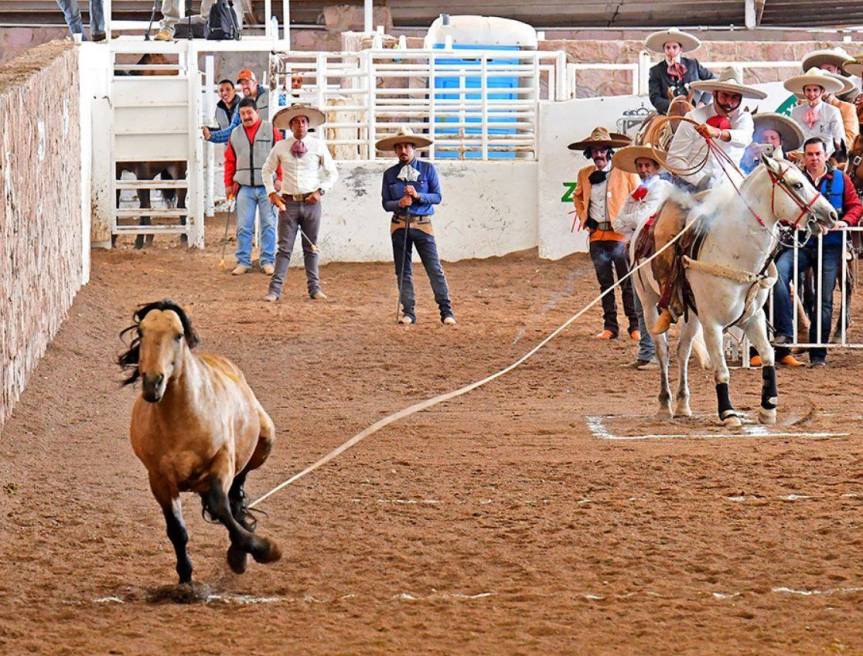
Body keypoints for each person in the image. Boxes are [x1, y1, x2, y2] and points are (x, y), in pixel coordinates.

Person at [655, 67, 764, 333]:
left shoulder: (744, 120)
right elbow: (675, 158)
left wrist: (717, 133)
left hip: (731, 191)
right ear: (715, 93)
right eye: (725, 96)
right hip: (691, 191)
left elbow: (742, 139)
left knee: (763, 231)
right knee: (663, 232)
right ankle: (670, 301)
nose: (729, 102)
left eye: (735, 97)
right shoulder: (693, 118)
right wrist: (700, 178)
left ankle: (763, 287)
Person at [772, 137, 863, 367]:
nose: (814, 158)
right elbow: (784, 208)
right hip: (801, 243)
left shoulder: (841, 179)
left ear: (825, 155)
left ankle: (818, 354)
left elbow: (856, 205)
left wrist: (845, 222)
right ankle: (785, 333)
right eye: (810, 154)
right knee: (778, 274)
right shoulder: (795, 178)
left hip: (830, 246)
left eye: (818, 154)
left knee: (824, 298)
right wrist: (792, 222)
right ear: (804, 157)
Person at [377, 126, 455, 326]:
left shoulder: (428, 169)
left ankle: (446, 311)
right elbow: (386, 203)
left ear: (413, 148)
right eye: (399, 147)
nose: (403, 150)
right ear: (395, 150)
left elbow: (437, 197)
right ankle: (409, 312)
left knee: (434, 268)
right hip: (399, 225)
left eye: (406, 146)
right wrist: (399, 203)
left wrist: (418, 196)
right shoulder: (389, 174)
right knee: (403, 270)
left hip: (422, 224)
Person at [261, 105, 338, 302]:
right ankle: (274, 290)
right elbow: (266, 170)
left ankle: (315, 289)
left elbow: (332, 173)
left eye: (303, 121)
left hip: (311, 202)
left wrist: (320, 191)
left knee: (311, 247)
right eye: (295, 122)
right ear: (290, 126)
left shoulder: (318, 146)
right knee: (284, 249)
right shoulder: (281, 146)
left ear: (308, 124)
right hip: (288, 203)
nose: (300, 125)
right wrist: (272, 193)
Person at [570, 127, 640, 340]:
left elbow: (638, 197)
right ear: (589, 153)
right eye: (595, 150)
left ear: (609, 152)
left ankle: (635, 326)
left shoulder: (626, 173)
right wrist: (584, 217)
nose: (598, 154)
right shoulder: (584, 174)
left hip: (621, 237)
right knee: (605, 283)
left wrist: (631, 223)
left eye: (602, 150)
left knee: (627, 283)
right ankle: (610, 327)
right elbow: (577, 196)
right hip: (597, 237)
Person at [611, 144, 675, 368]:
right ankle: (648, 353)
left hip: (656, 252)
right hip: (640, 252)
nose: (643, 169)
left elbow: (641, 218)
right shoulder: (636, 192)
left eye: (647, 165)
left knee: (650, 304)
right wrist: (633, 219)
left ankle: (655, 354)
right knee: (641, 305)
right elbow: (617, 223)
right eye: (639, 166)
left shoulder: (662, 187)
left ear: (656, 167)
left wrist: (630, 219)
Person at [224, 97, 283, 276]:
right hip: (244, 187)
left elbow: (280, 155)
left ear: (257, 112)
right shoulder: (235, 134)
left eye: (249, 112)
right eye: (242, 114)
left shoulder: (271, 130)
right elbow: (229, 161)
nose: (246, 116)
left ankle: (267, 261)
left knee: (269, 224)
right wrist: (228, 184)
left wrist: (280, 177)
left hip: (268, 187)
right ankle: (243, 261)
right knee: (243, 226)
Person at [645, 27, 714, 115]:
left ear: (680, 49)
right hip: (668, 113)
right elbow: (654, 97)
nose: (671, 51)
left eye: (674, 47)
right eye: (668, 48)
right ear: (664, 50)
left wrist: (702, 102)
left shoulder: (693, 64)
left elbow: (712, 80)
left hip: (693, 111)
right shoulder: (656, 70)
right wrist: (673, 107)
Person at [801, 48, 860, 146]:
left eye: (829, 70)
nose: (825, 74)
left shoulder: (848, 105)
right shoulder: (802, 108)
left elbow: (850, 142)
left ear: (838, 72)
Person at [785, 68, 845, 158]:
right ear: (804, 92)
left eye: (815, 90)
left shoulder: (833, 111)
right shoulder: (796, 111)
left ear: (822, 91)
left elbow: (839, 140)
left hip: (824, 157)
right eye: (808, 90)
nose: (811, 94)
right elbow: (791, 137)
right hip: (799, 157)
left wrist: (829, 156)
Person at [204, 70, 270, 143]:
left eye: (247, 83)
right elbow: (233, 130)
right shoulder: (240, 105)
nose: (244, 86)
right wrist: (211, 135)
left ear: (255, 83)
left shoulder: (270, 96)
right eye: (242, 84)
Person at [739, 112, 804, 174]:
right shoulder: (753, 165)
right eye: (765, 138)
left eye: (773, 138)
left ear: (781, 142)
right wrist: (749, 159)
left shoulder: (791, 167)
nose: (769, 141)